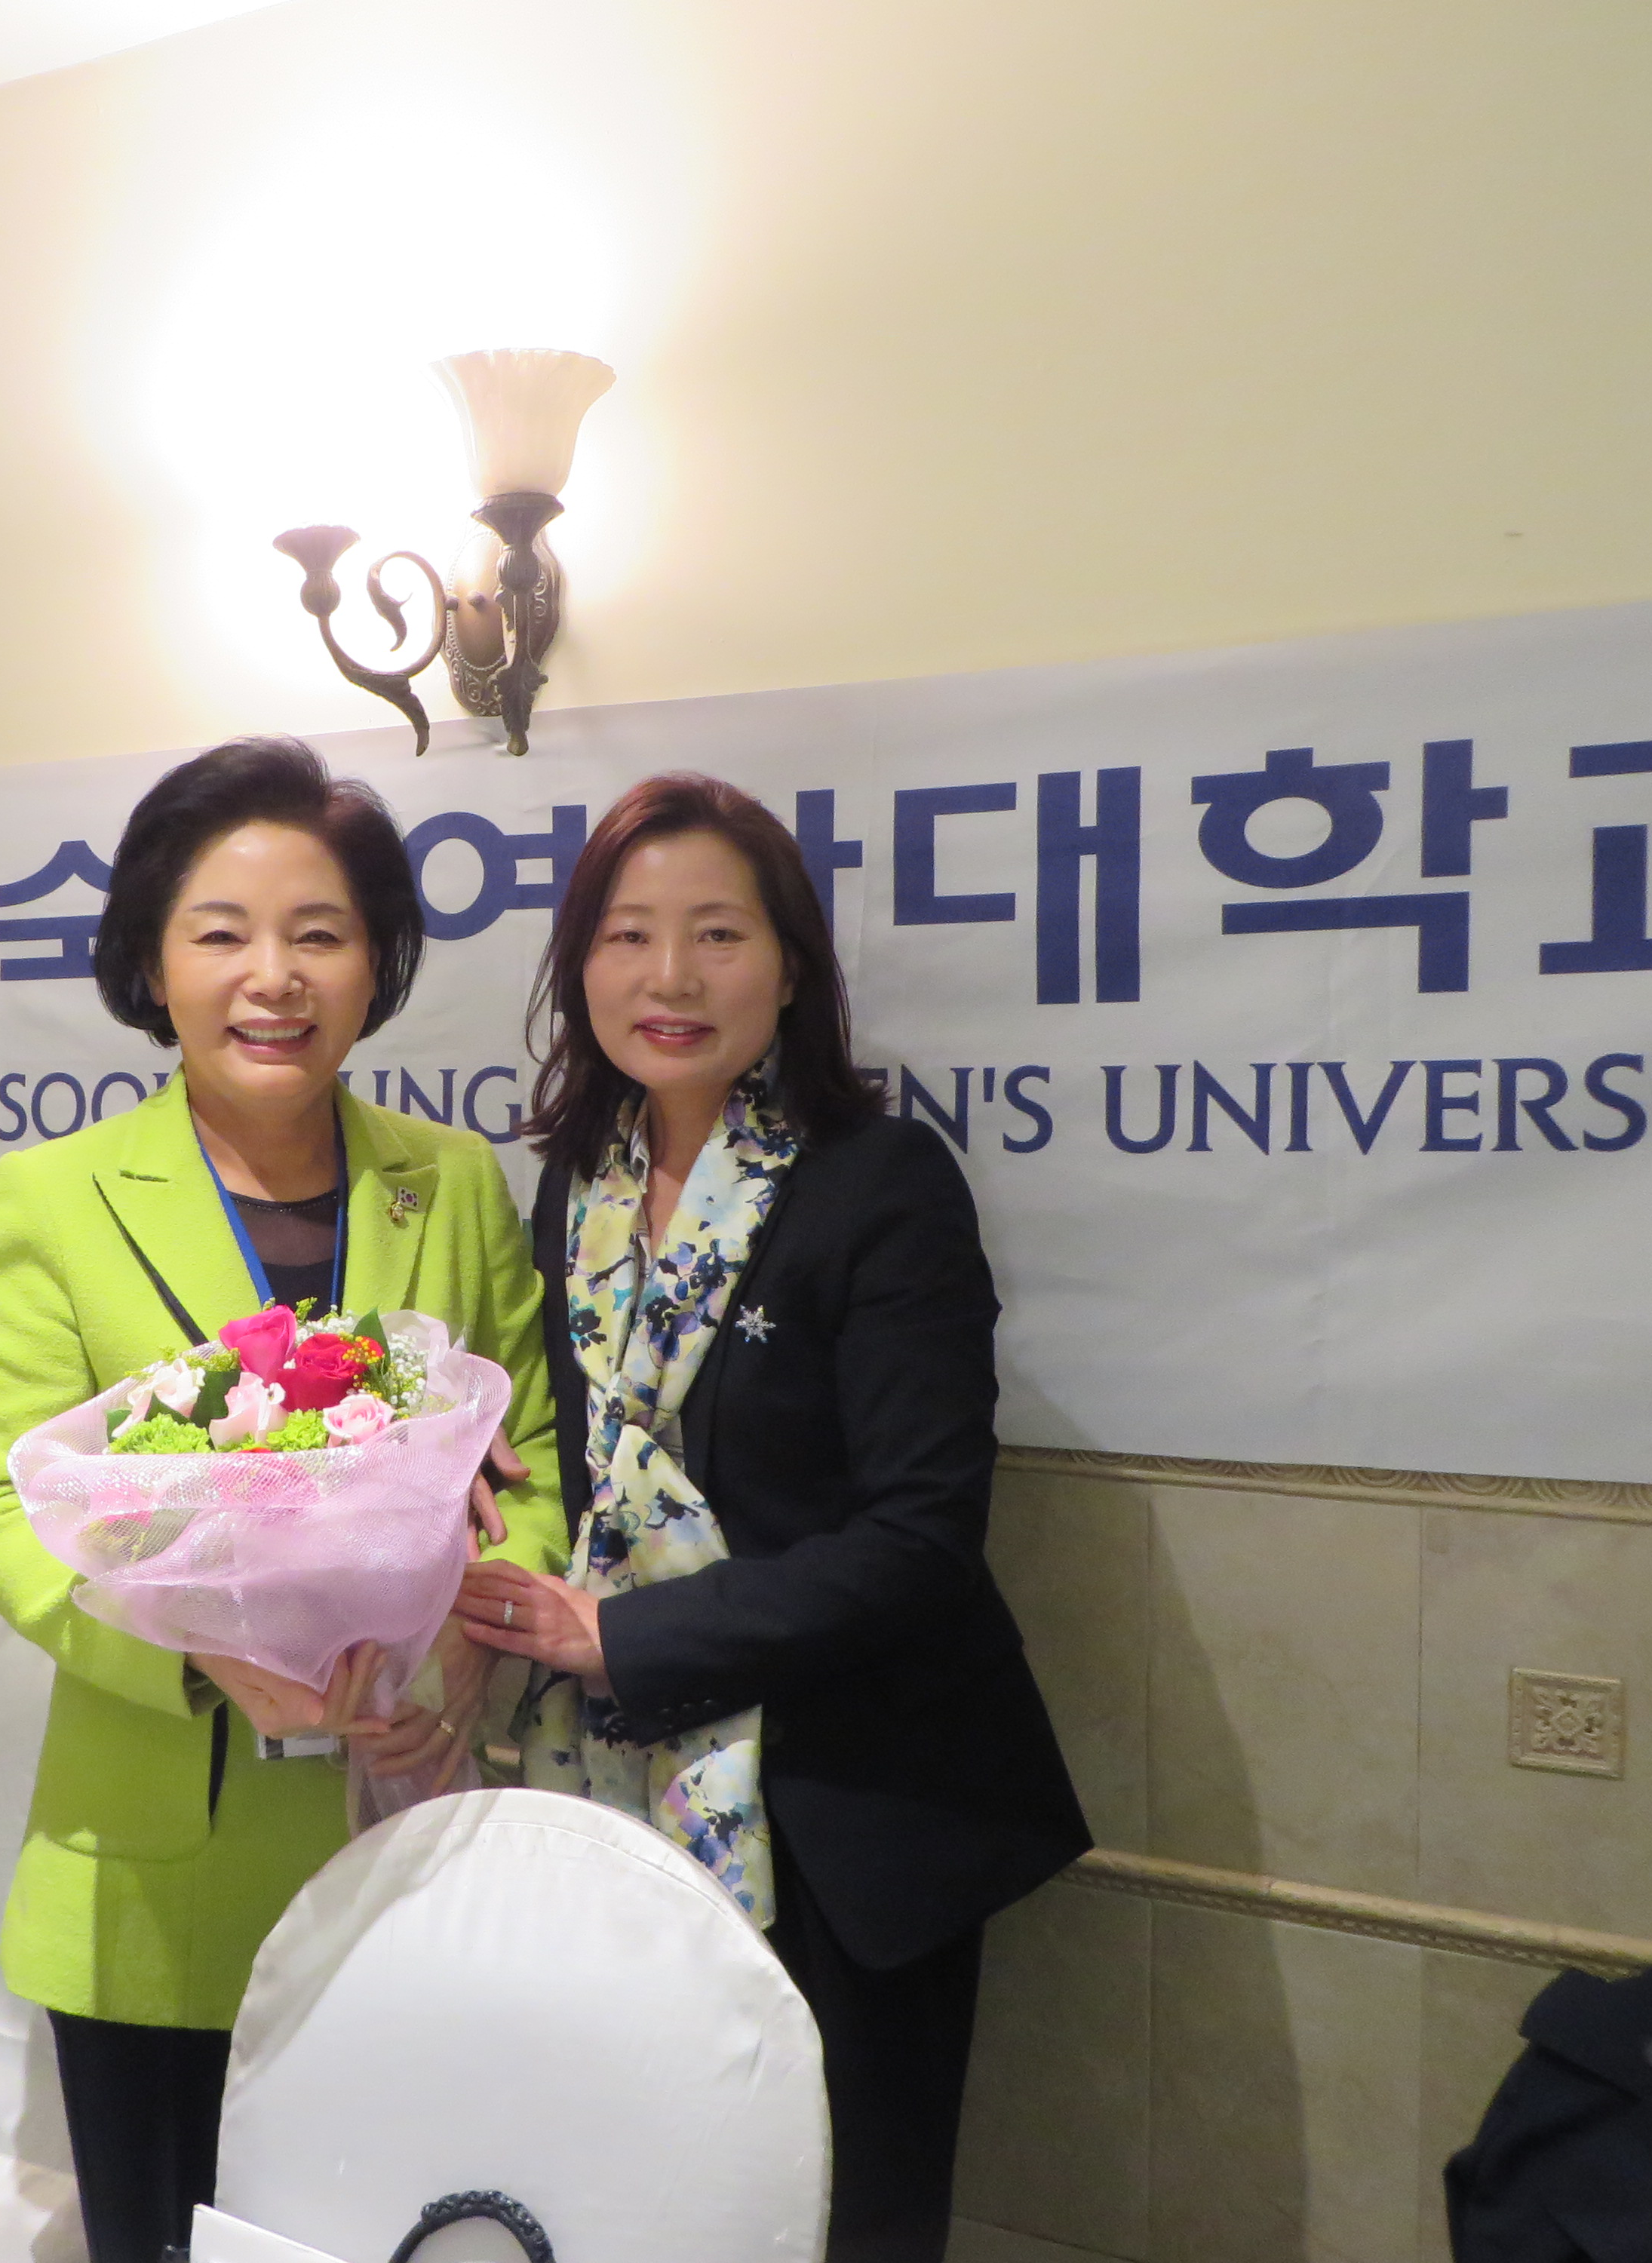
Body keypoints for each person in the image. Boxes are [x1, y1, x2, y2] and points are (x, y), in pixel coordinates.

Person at [0, 736, 567, 2263]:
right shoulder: (58, 1196)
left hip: (400, 1837)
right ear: (153, 965)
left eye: (319, 934)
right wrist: (192, 1656)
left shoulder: (451, 1184)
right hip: (162, 1869)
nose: (271, 978)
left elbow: (532, 1469)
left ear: (374, 965)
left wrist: (457, 1658)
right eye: (221, 933)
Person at [454, 773, 1089, 2263]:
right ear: (579, 968)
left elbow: (922, 1538)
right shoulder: (577, 1185)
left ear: (790, 968)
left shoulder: (880, 1185)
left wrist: (626, 1639)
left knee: (831, 2221)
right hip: (619, 1793)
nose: (669, 978)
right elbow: (574, 1465)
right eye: (627, 936)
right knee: (638, 2200)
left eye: (718, 935)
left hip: (846, 1810)